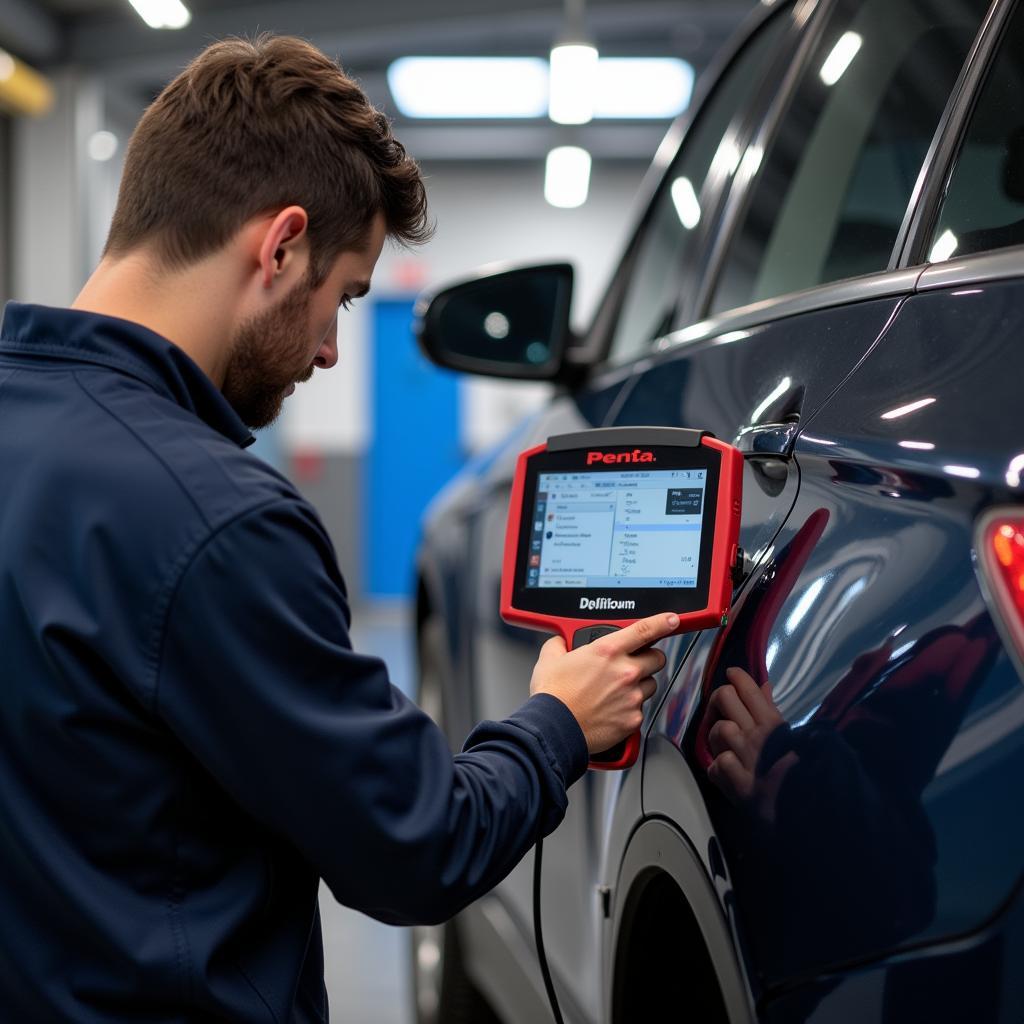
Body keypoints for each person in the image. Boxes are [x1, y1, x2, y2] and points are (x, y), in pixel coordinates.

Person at [0, 34, 678, 1023]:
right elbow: (416, 846)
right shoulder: (218, 522)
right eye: (343, 298)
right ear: (279, 247)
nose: (325, 350)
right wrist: (555, 725)